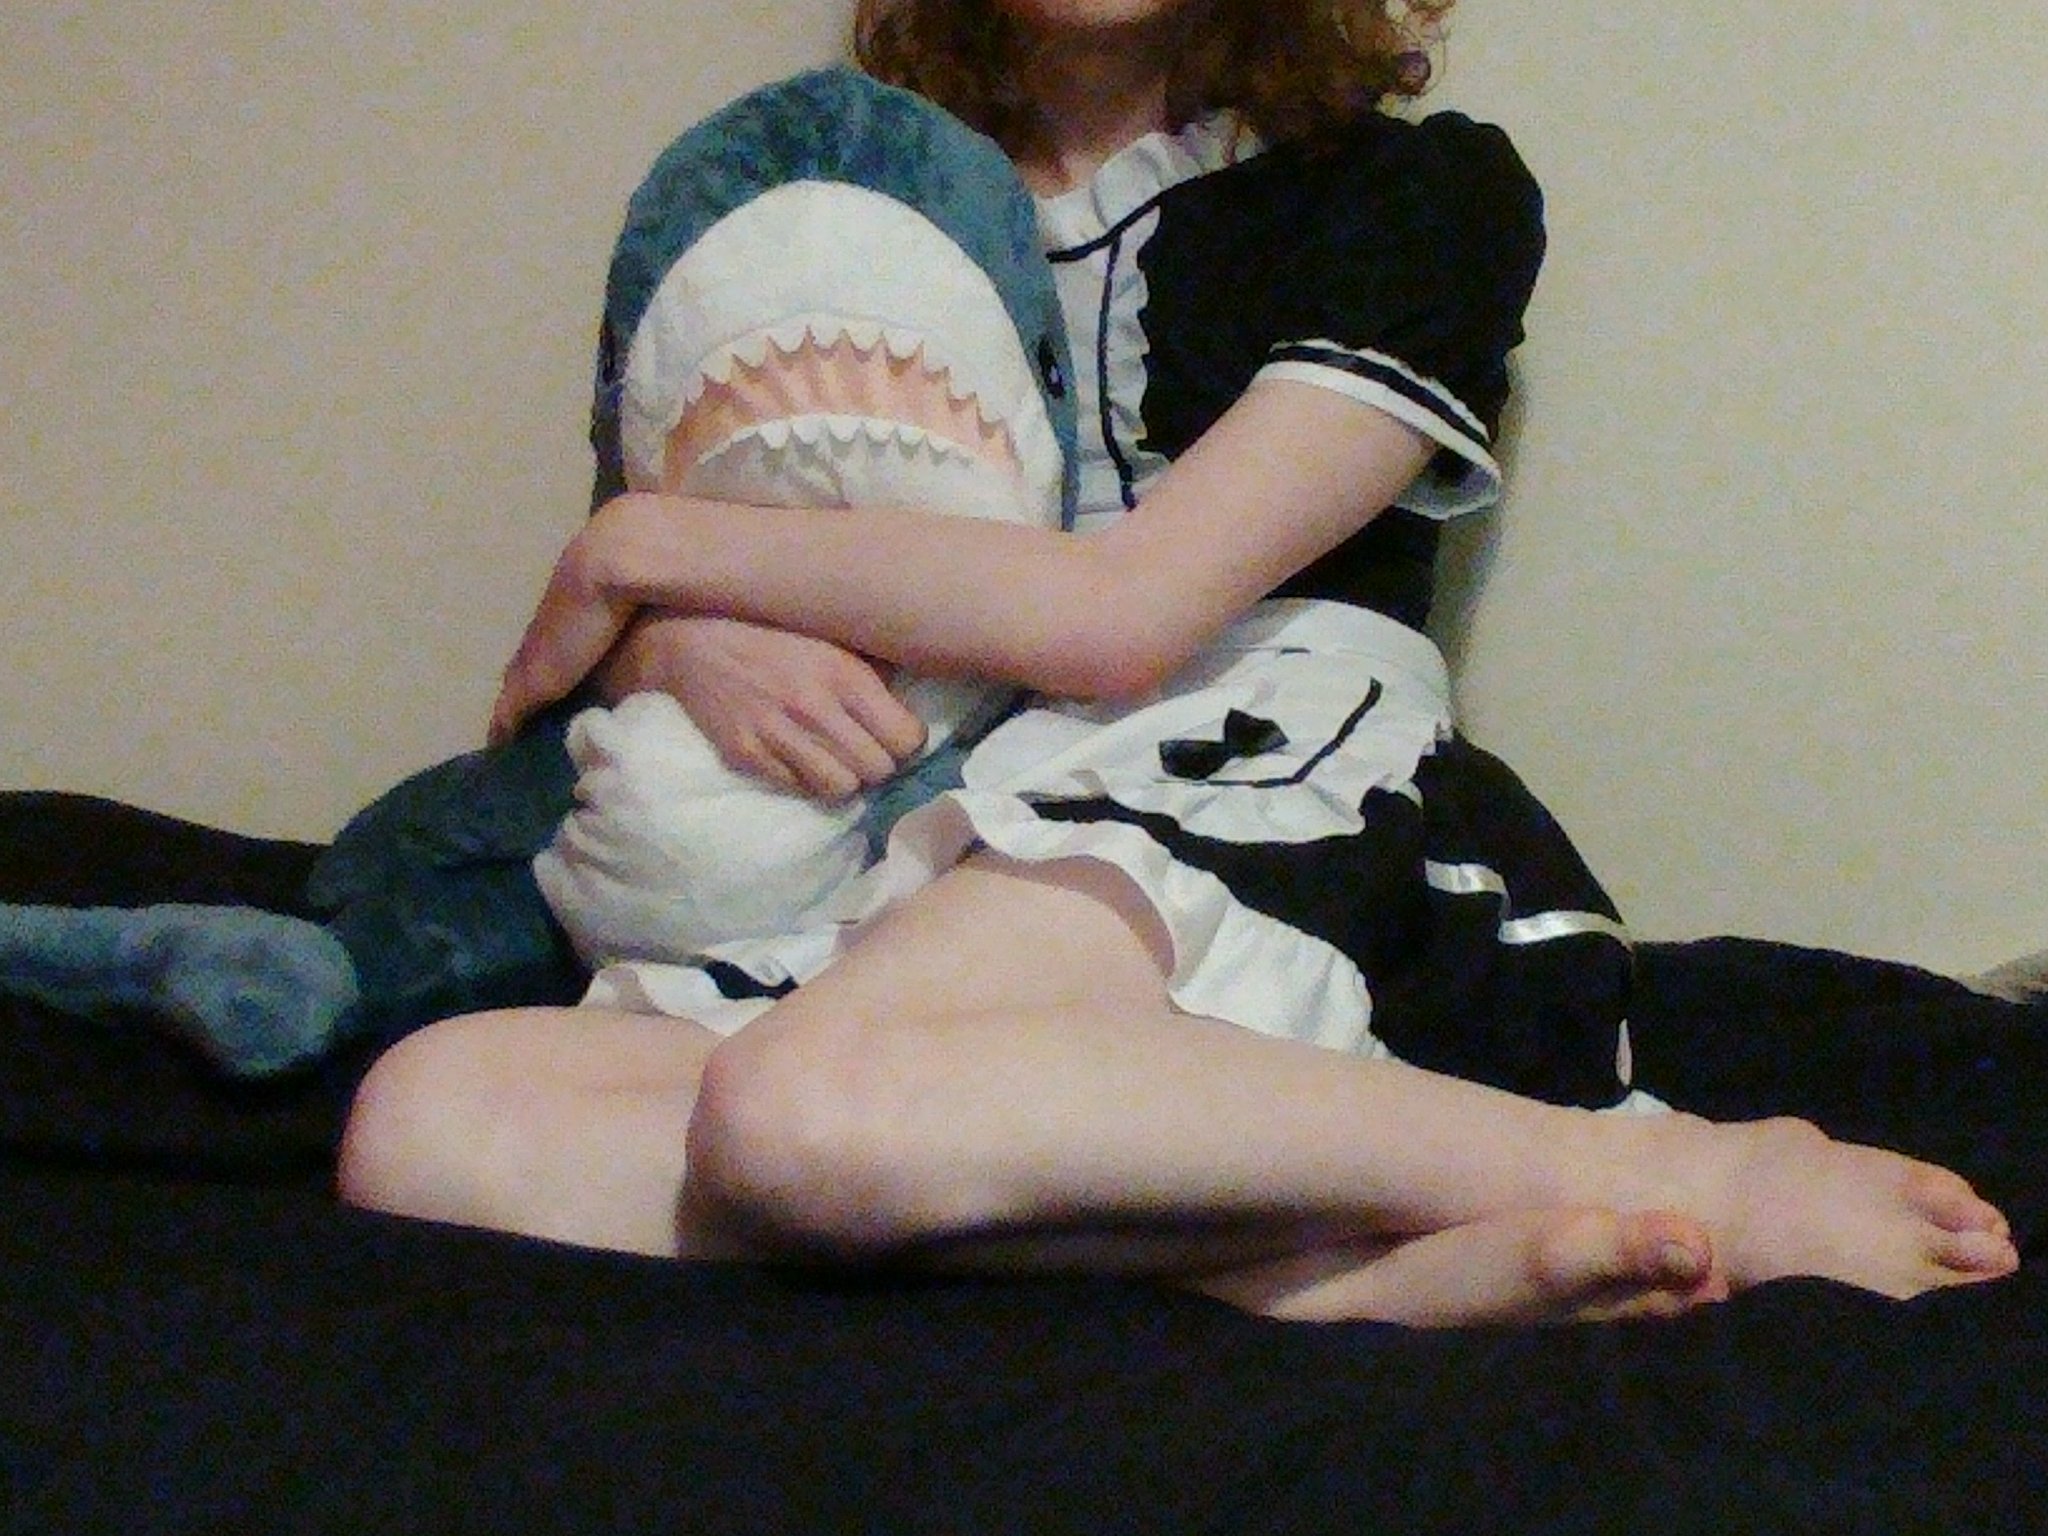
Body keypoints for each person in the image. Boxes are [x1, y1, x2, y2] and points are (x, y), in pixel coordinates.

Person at [335, 0, 2019, 1325]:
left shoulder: (1415, 193)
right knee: (433, 1123)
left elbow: (1123, 617)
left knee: (805, 1116)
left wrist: (638, 552)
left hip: (1261, 755)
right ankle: (1293, 1279)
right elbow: (689, 616)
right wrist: (679, 643)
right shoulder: (856, 214)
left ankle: (1667, 1171)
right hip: (949, 800)